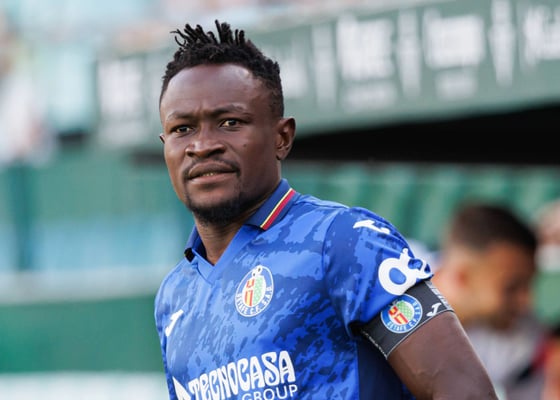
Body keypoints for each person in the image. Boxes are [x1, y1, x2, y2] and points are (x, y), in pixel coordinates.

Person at [154, 20, 498, 399]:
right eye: (182, 129)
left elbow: (465, 390)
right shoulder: (174, 297)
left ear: (282, 137)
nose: (203, 145)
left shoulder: (344, 242)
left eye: (230, 122)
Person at [430, 202, 546, 399]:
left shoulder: (523, 340)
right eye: (512, 287)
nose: (526, 301)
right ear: (461, 277)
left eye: (528, 285)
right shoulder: (389, 298)